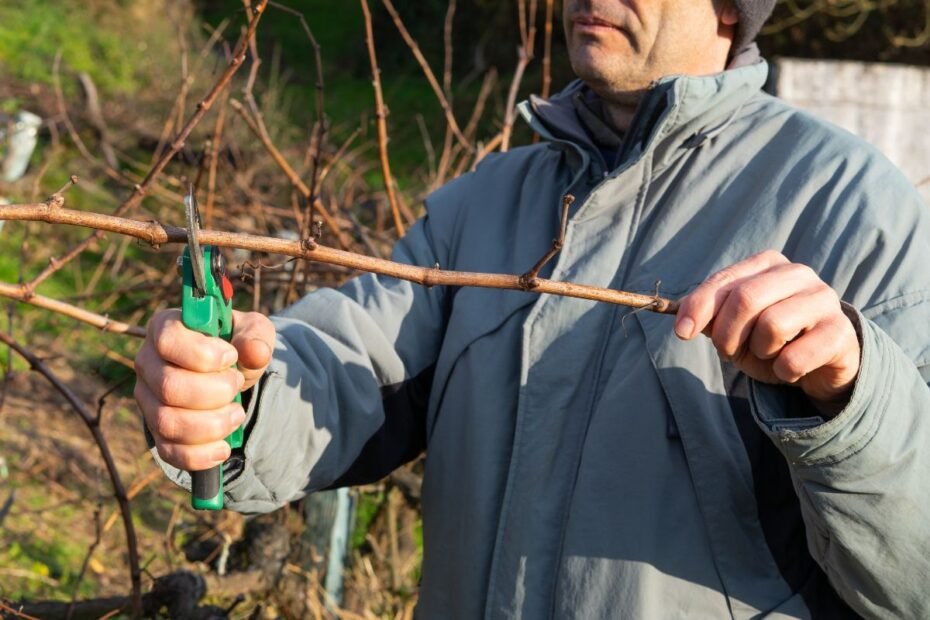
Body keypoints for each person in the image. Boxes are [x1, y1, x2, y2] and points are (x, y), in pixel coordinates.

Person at [135, 0, 930, 617]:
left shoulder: (851, 209)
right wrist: (233, 394)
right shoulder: (485, 204)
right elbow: (348, 366)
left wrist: (850, 398)